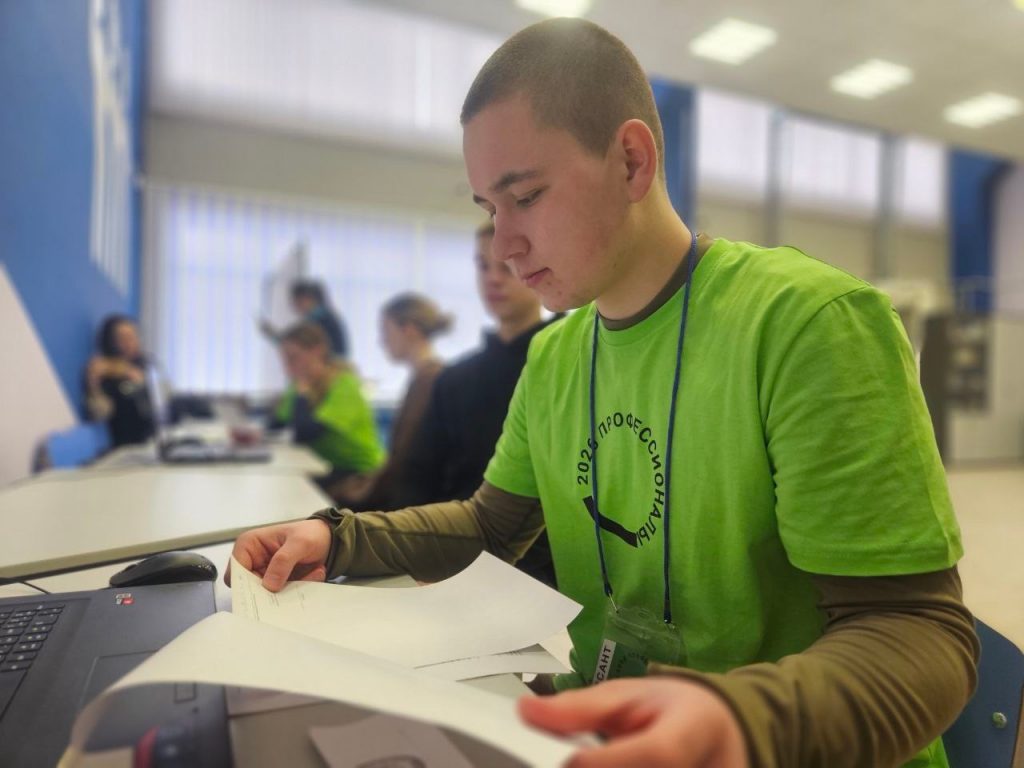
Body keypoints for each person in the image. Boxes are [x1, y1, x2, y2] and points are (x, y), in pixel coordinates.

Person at [231, 18, 977, 768]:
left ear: (631, 161)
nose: (504, 246)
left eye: (526, 196)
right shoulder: (555, 354)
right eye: (490, 210)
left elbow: (920, 635)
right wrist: (342, 538)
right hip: (593, 734)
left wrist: (742, 723)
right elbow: (491, 525)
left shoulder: (807, 324)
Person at [393, 221, 561, 585]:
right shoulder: (454, 379)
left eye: (506, 265)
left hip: (541, 576)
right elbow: (420, 480)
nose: (493, 279)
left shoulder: (567, 366)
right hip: (449, 557)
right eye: (483, 266)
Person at [332, 292, 452, 510]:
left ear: (409, 330)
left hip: (410, 505)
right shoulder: (427, 376)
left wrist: (356, 493)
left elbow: (403, 461)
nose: (382, 341)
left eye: (386, 331)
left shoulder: (428, 380)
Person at [271, 323, 384, 480]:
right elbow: (276, 424)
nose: (287, 368)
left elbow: (304, 433)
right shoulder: (300, 383)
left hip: (360, 473)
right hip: (326, 466)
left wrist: (302, 393)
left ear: (318, 351)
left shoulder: (344, 385)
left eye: (293, 358)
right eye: (284, 360)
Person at [85, 314, 155, 447]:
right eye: (124, 339)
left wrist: (126, 371)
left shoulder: (144, 364)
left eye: (134, 336)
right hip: (125, 446)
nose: (131, 343)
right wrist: (93, 383)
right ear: (111, 343)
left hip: (152, 440)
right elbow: (100, 413)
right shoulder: (104, 373)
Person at [260, 279, 350, 359]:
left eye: (297, 302)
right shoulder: (322, 316)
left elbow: (295, 343)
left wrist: (275, 337)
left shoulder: (319, 319)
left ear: (308, 298)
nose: (296, 307)